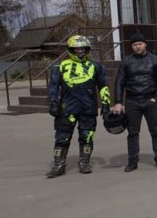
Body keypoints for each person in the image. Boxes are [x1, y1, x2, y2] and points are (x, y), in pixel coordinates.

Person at [45, 35, 111, 177]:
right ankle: (59, 165)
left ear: (87, 49)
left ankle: (84, 163)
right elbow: (53, 87)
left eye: (82, 49)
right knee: (62, 137)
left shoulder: (96, 66)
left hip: (88, 108)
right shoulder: (59, 67)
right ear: (70, 50)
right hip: (66, 109)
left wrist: (106, 106)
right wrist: (53, 103)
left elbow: (103, 87)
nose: (80, 51)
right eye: (76, 49)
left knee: (87, 137)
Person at [112, 31, 157, 171]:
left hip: (150, 101)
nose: (137, 46)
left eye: (140, 44)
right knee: (132, 133)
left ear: (145, 44)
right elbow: (119, 82)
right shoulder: (126, 62)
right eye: (135, 44)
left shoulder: (155, 60)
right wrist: (118, 102)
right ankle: (132, 161)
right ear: (132, 47)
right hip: (132, 101)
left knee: (155, 131)